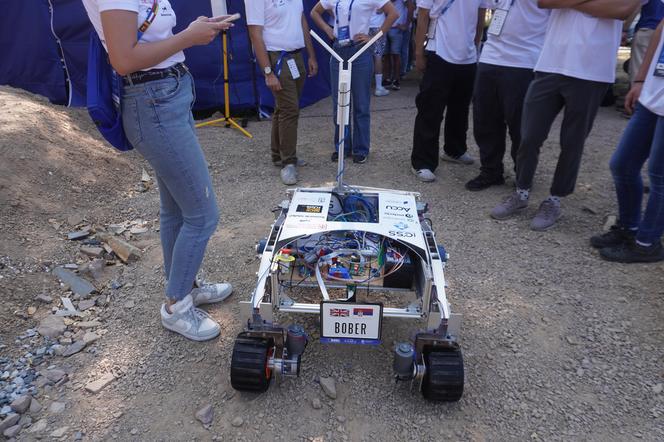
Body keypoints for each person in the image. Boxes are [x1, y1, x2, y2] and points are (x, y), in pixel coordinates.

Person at [81, 0, 235, 341]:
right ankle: (176, 305)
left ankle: (184, 285)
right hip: (152, 101)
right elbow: (123, 60)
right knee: (203, 215)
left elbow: (148, 41)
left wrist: (193, 31)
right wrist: (189, 37)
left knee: (177, 210)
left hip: (166, 94)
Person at [490, 0, 641, 231]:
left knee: (572, 143)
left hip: (592, 70)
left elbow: (622, 10)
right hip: (550, 64)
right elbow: (545, 2)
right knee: (529, 135)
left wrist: (569, 3)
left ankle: (554, 200)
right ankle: (521, 193)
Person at [591, 14, 664, 263]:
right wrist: (642, 79)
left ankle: (647, 243)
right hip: (654, 93)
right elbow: (661, 28)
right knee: (622, 164)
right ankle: (629, 229)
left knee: (660, 176)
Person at [466, 0, 550, 191]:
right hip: (490, 56)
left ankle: (523, 174)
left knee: (520, 125)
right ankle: (491, 170)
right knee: (485, 120)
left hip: (525, 60)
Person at [311, 0, 398, 164]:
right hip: (337, 50)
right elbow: (314, 12)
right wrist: (327, 29)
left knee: (361, 103)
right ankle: (342, 147)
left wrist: (375, 36)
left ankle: (361, 149)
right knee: (340, 103)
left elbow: (393, 13)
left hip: (360, 50)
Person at [410, 0, 488, 182]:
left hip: (467, 56)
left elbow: (480, 16)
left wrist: (475, 46)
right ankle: (422, 162)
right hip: (439, 50)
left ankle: (455, 150)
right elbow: (422, 16)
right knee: (430, 110)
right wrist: (419, 53)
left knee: (460, 108)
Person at [246, 0, 319, 186]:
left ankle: (278, 154)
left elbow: (301, 20)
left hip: (296, 55)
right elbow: (255, 33)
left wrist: (311, 55)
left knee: (283, 108)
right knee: (290, 110)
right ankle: (288, 162)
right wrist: (268, 72)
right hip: (278, 58)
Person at [630, 0, 664, 86]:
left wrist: (625, 28)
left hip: (647, 29)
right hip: (660, 32)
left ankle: (637, 97)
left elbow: (635, 7)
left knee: (638, 73)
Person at [383, 0, 409, 91]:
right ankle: (387, 79)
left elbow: (411, 7)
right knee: (386, 55)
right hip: (385, 28)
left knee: (396, 55)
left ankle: (396, 79)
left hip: (396, 29)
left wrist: (406, 25)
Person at [369, 9, 391, 96]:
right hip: (378, 26)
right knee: (378, 56)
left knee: (367, 56)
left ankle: (365, 85)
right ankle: (378, 87)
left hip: (366, 26)